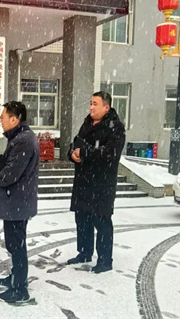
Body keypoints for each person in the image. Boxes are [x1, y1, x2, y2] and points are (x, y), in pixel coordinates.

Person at [67, 91, 125, 274]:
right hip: (83, 181)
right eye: (90, 103)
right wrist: (72, 154)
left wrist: (84, 152)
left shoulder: (115, 127)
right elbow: (75, 143)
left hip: (101, 184)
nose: (91, 107)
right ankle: (84, 252)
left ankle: (105, 260)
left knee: (101, 221)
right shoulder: (87, 123)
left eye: (95, 104)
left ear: (106, 107)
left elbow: (109, 154)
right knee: (82, 218)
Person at [0, 101, 39, 305]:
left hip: (18, 200)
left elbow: (11, 173)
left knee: (17, 245)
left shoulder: (23, 140)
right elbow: (7, 166)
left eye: (3, 117)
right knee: (14, 243)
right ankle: (15, 278)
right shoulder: (19, 138)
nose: (0, 120)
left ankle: (20, 289)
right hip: (16, 199)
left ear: (14, 119)